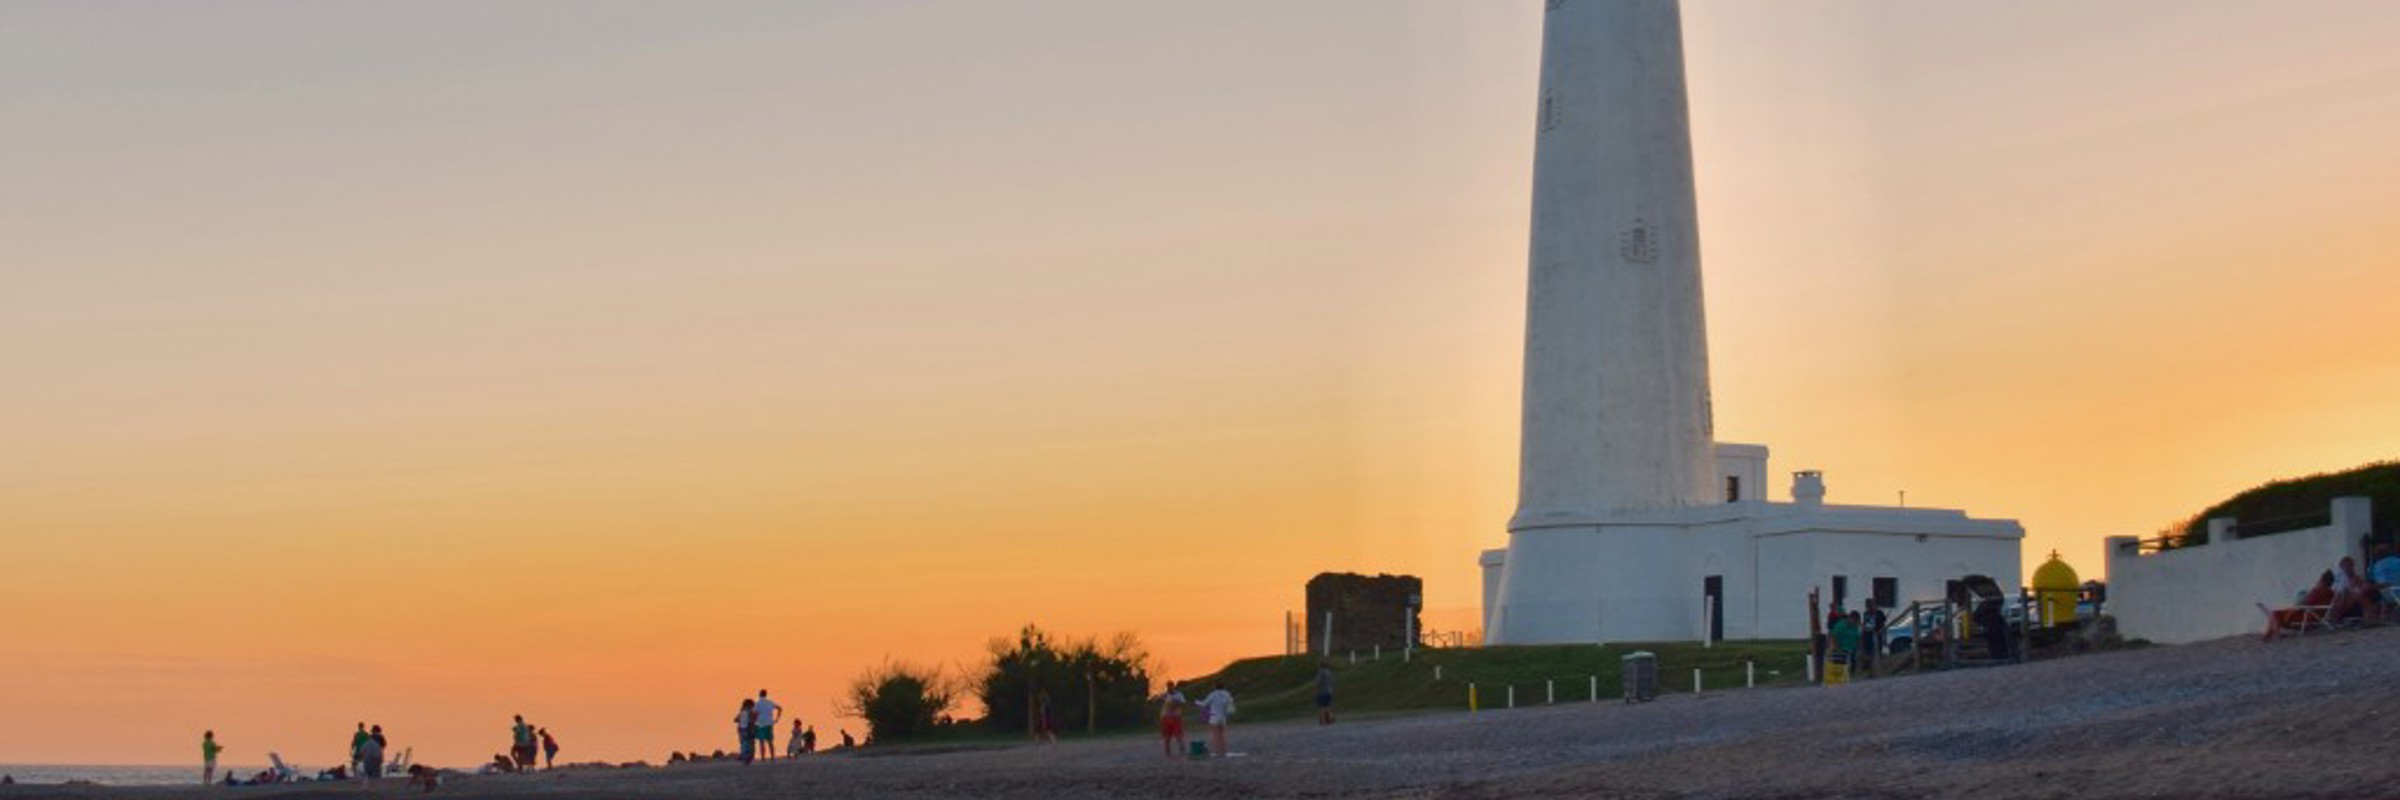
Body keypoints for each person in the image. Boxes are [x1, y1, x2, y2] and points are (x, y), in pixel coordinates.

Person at [2265, 571, 2338, 641]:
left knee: (2274, 614)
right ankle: (2268, 636)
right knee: (2276, 616)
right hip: (2317, 619)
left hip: (2306, 619)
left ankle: (2277, 635)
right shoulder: (2332, 593)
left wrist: (2290, 614)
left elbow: (2303, 605)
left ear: (2321, 580)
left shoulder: (2317, 591)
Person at [1198, 681, 1235, 758]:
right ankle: (1224, 751)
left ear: (1215, 687)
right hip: (1223, 717)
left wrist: (1196, 702)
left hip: (1214, 718)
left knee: (1216, 736)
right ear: (1223, 686)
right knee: (1222, 735)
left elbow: (1204, 704)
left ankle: (1218, 752)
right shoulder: (1227, 694)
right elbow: (1231, 702)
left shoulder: (1213, 694)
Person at [1157, 682, 1188, 759]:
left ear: (1174, 687)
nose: (1169, 688)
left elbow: (1183, 703)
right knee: (1167, 737)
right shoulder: (1165, 695)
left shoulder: (1179, 694)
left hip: (1176, 717)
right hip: (1165, 717)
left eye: (1171, 687)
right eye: (1168, 687)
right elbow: (1158, 699)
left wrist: (1175, 702)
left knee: (1179, 736)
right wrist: (1162, 697)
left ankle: (1182, 753)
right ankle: (1168, 754)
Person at [752, 690, 781, 759]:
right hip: (769, 723)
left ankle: (763, 757)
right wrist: (777, 718)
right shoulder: (770, 702)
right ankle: (772, 756)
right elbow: (779, 708)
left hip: (760, 724)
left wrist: (753, 722)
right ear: (766, 694)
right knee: (770, 741)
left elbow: (755, 714)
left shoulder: (758, 703)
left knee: (761, 742)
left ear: (760, 694)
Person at [734, 698, 757, 763]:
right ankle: (748, 757)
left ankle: (744, 756)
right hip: (748, 728)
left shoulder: (742, 712)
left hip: (741, 729)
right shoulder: (750, 712)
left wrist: (741, 720)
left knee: (743, 743)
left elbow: (735, 720)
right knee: (750, 743)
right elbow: (752, 720)